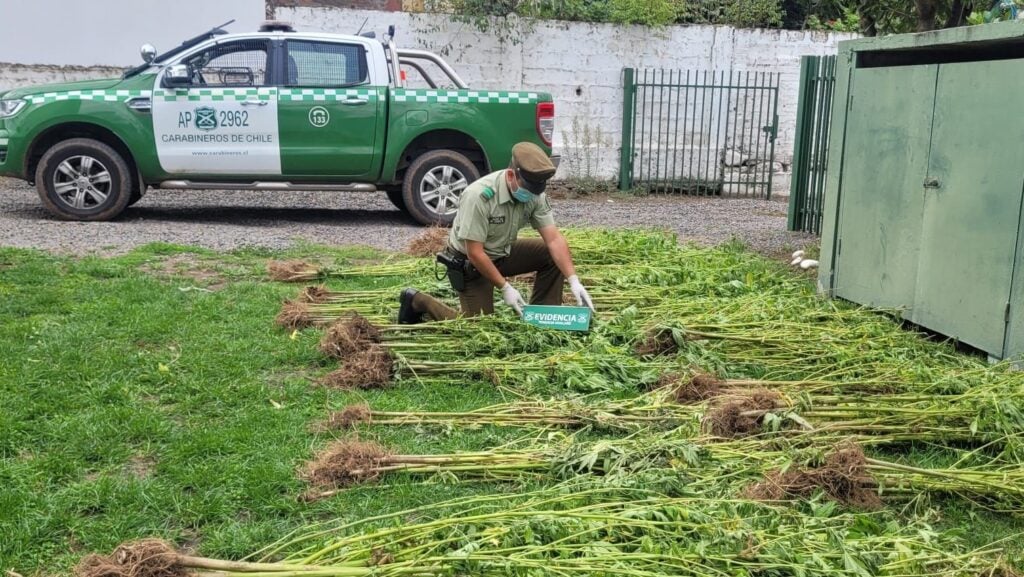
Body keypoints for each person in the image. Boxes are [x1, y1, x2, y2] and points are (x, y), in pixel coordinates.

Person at [398, 142, 595, 324]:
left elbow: (553, 239)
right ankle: (418, 301)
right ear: (511, 175)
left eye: (536, 191)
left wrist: (573, 280)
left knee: (550, 254)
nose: (531, 196)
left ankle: (541, 319)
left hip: (501, 252)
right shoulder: (479, 196)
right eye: (528, 189)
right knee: (479, 328)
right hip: (471, 264)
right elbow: (475, 252)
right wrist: (505, 288)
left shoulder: (534, 193)